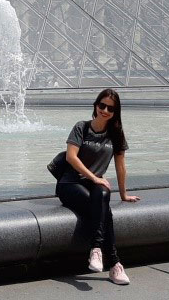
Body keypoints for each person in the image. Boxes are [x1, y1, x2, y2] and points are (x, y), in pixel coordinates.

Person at [57, 88, 137, 285]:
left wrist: (124, 194)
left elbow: (121, 166)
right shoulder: (81, 127)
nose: (105, 110)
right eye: (102, 105)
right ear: (95, 105)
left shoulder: (116, 134)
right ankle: (115, 263)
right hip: (70, 183)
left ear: (115, 112)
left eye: (111, 108)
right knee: (102, 209)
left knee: (102, 197)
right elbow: (71, 157)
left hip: (95, 184)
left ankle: (97, 250)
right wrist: (94, 177)